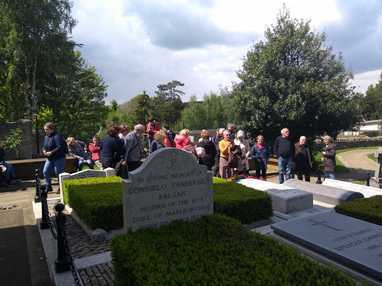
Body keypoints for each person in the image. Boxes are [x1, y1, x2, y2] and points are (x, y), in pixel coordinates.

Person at [42, 122, 67, 192]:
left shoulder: (57, 136)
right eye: (45, 129)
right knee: (45, 171)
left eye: (47, 129)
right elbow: (44, 146)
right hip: (49, 158)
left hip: (59, 158)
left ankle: (61, 187)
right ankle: (48, 186)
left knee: (58, 172)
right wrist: (44, 151)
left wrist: (51, 152)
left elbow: (59, 147)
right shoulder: (46, 137)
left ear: (51, 129)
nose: (45, 131)